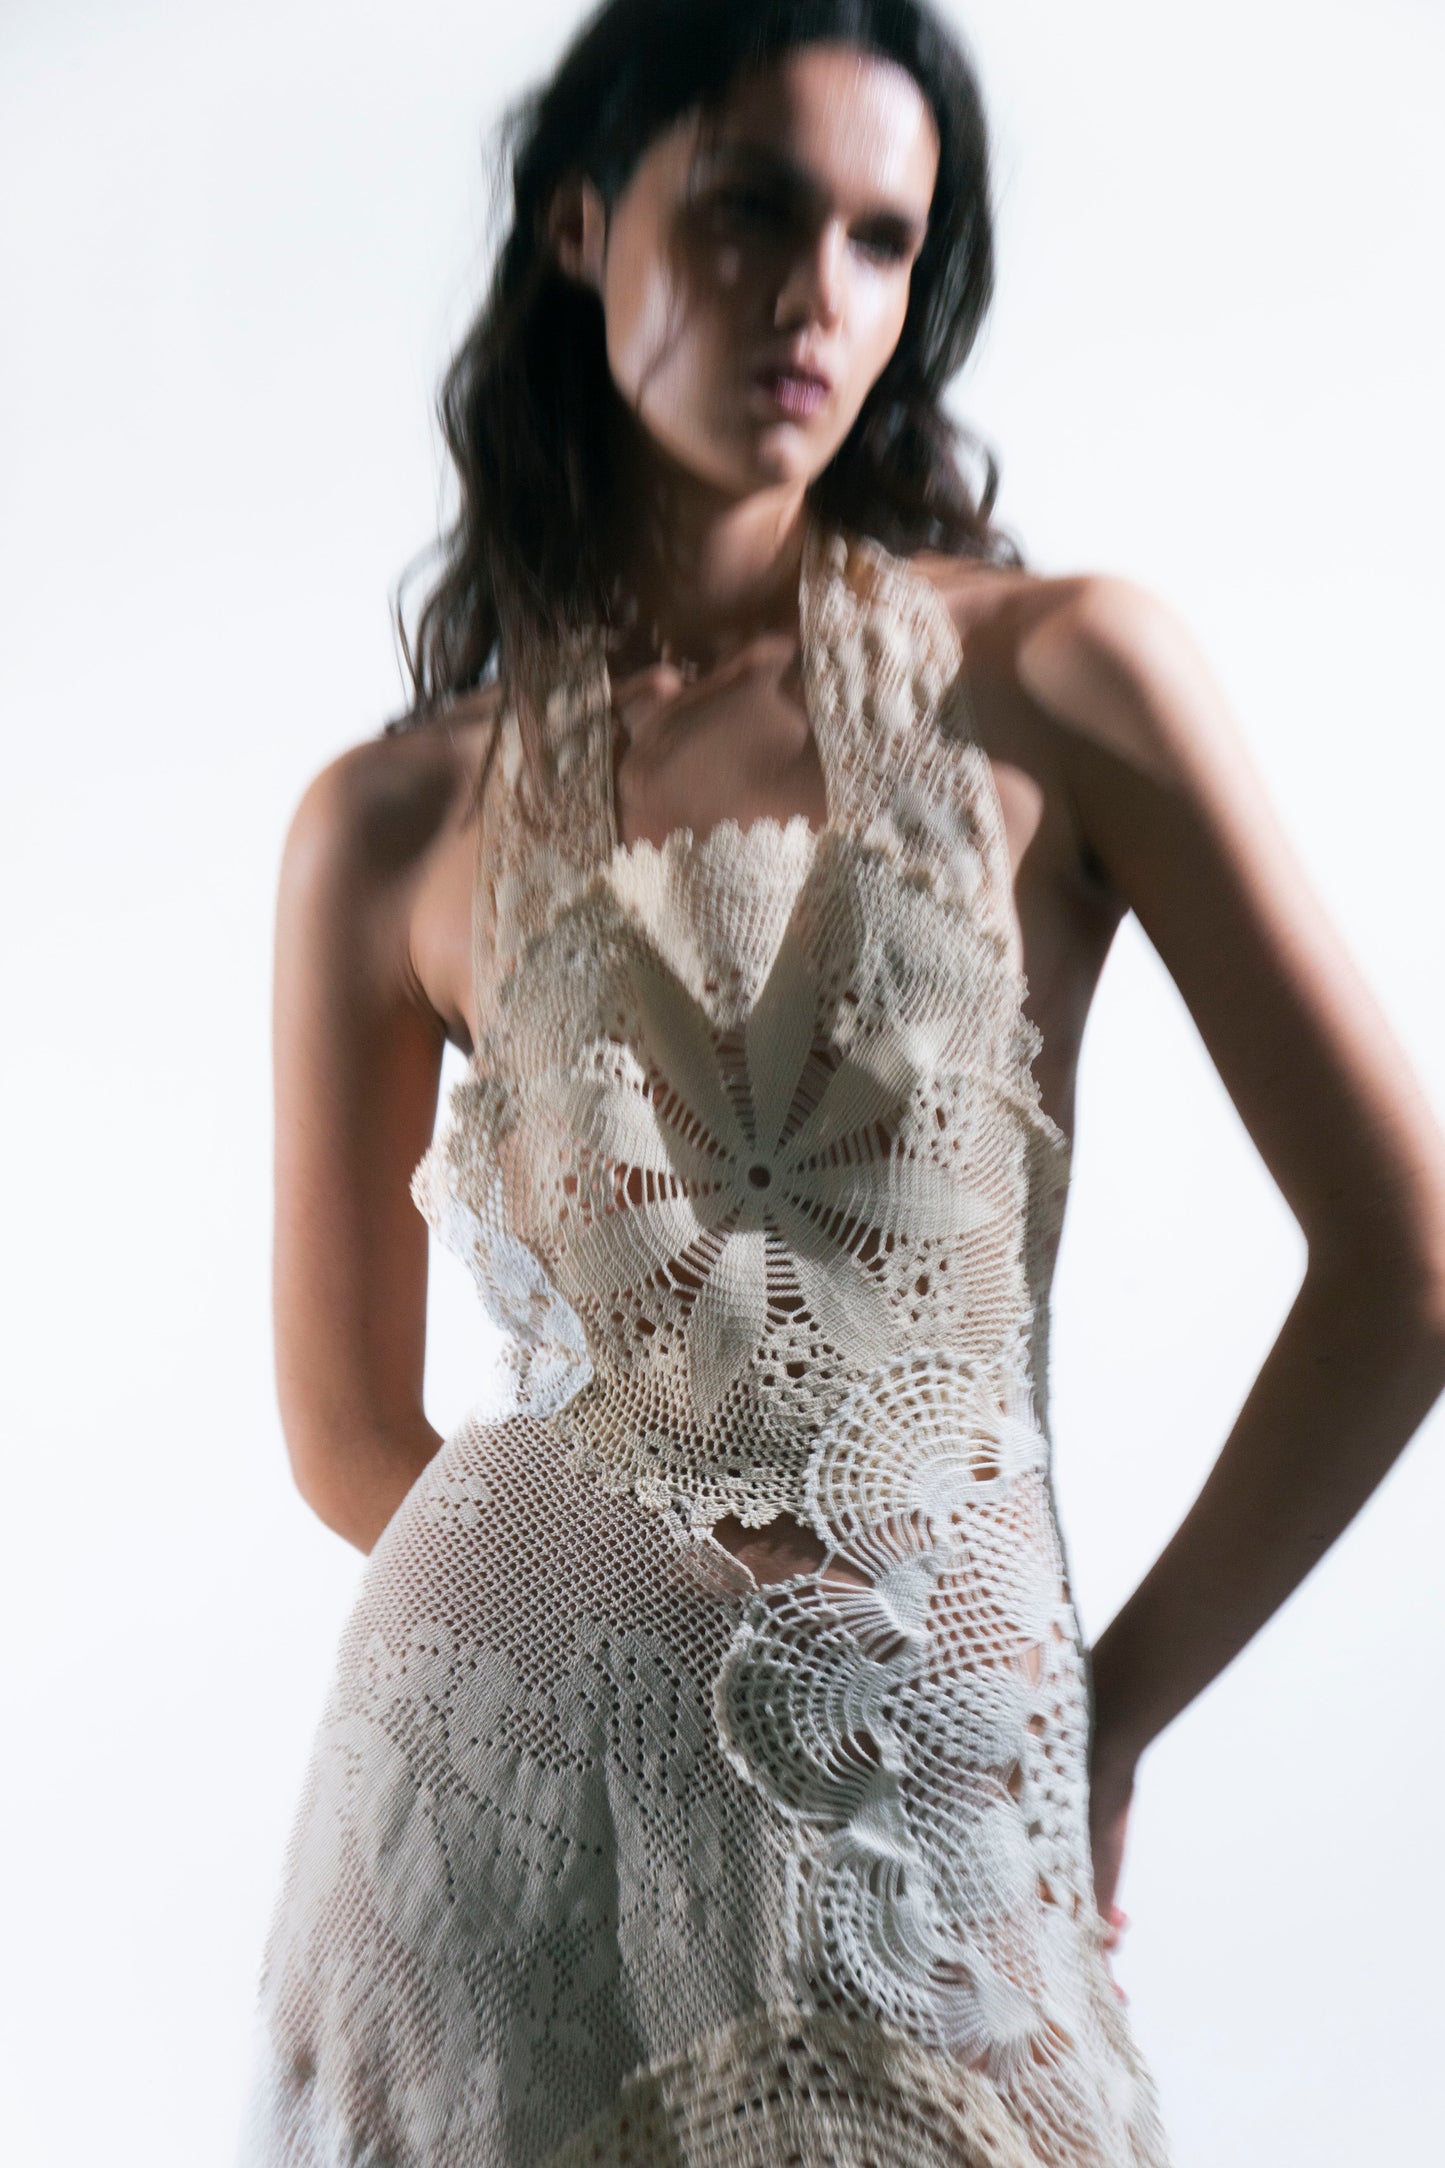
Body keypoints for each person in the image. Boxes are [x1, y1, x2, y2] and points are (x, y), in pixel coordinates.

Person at [240, 1, 1445, 2162]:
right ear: (580, 224)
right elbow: (347, 1435)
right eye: (751, 210)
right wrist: (635, 1655)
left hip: (937, 1811)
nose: (818, 292)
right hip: (517, 1859)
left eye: (884, 239)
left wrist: (1103, 1710)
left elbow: (1409, 1264)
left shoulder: (1061, 679)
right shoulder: (388, 823)